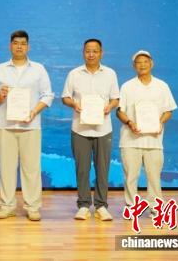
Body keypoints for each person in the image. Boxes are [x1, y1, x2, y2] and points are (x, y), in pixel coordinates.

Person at [0, 30, 54, 221]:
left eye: (23, 43)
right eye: (16, 43)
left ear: (28, 46)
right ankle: (7, 206)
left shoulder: (38, 69)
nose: (19, 46)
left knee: (31, 169)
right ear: (10, 45)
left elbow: (48, 95)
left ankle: (33, 207)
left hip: (31, 125)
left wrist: (34, 111)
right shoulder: (0, 69)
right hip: (5, 125)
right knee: (6, 168)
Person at [61, 39, 120, 221]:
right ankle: (84, 205)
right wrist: (74, 104)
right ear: (83, 52)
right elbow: (65, 97)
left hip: (103, 129)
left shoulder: (110, 74)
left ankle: (101, 206)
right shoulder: (74, 74)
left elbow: (116, 98)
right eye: (88, 51)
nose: (91, 54)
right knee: (82, 169)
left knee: (103, 169)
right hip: (80, 129)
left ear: (101, 53)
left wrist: (110, 106)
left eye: (95, 51)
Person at [116, 50, 177, 208]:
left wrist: (160, 123)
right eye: (138, 62)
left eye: (145, 61)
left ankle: (155, 207)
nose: (142, 65)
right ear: (133, 66)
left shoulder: (162, 86)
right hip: (130, 140)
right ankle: (132, 207)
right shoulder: (127, 86)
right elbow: (120, 111)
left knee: (154, 177)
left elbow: (168, 110)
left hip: (154, 140)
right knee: (131, 177)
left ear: (152, 63)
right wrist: (130, 123)